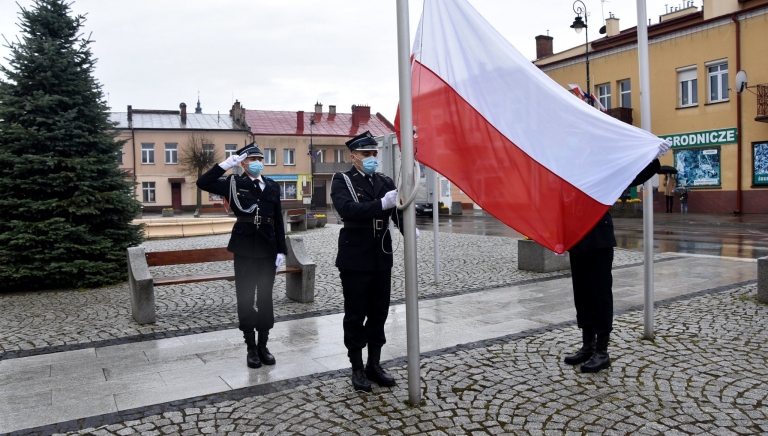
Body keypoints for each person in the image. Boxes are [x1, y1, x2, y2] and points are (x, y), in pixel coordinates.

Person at [331, 130, 412, 392]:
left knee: (379, 311)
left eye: (374, 153)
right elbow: (347, 210)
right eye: (366, 153)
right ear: (353, 156)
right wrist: (381, 204)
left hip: (381, 254)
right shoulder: (343, 180)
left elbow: (396, 210)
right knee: (355, 314)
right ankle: (356, 367)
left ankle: (374, 364)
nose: (372, 157)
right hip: (355, 255)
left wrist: (408, 228)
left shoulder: (384, 180)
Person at [563, 158, 660, 373]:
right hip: (577, 238)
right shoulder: (572, 170)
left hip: (599, 239)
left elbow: (639, 174)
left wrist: (652, 156)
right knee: (582, 294)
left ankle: (602, 352)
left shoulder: (605, 169)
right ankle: (588, 346)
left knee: (600, 295)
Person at [196, 143, 286, 369]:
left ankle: (263, 345)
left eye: (259, 159)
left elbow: (278, 219)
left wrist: (281, 250)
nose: (257, 163)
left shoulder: (272, 186)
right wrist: (226, 165)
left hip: (267, 248)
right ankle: (251, 347)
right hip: (244, 248)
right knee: (245, 297)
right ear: (243, 163)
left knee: (265, 297)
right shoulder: (233, 183)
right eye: (252, 159)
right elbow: (203, 182)